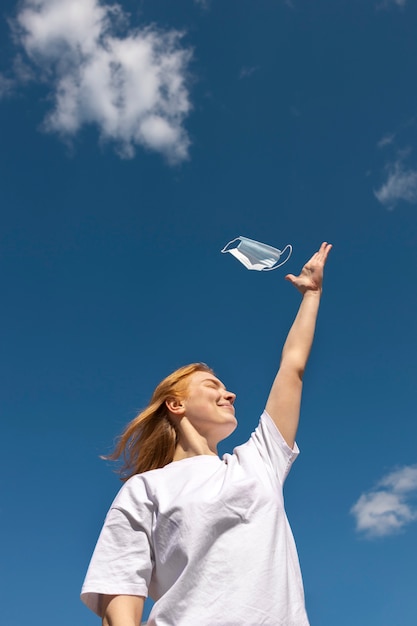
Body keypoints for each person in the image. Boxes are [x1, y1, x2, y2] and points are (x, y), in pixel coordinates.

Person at [81, 242, 332, 626]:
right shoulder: (144, 490)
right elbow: (121, 596)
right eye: (212, 385)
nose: (229, 393)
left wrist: (311, 296)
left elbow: (292, 368)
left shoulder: (259, 461)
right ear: (176, 404)